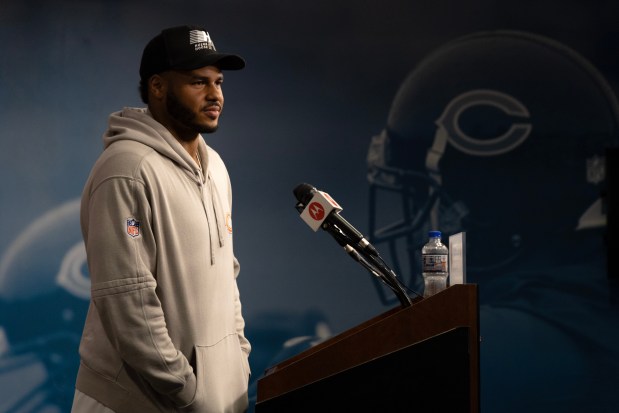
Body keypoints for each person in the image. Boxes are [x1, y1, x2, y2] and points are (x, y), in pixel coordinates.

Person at [71, 25, 251, 413]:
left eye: (218, 82)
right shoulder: (126, 169)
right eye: (198, 82)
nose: (215, 94)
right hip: (140, 402)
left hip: (209, 400)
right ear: (157, 87)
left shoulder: (215, 167)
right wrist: (187, 392)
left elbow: (226, 277)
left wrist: (236, 364)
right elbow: (127, 302)